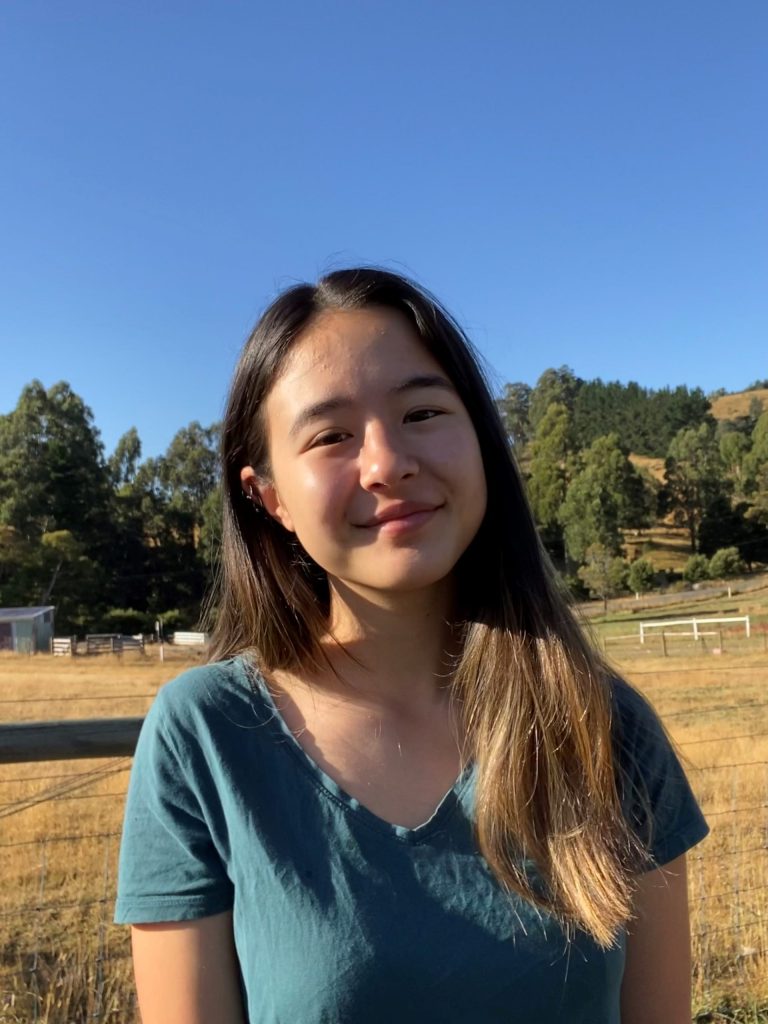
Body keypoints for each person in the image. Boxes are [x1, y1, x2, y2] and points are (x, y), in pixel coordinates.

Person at [115, 267, 708, 1024]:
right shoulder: (206, 738)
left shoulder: (607, 730)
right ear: (269, 498)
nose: (387, 462)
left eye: (422, 412)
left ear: (481, 442)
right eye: (330, 435)